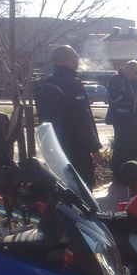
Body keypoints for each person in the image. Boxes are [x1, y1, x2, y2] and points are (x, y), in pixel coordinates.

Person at [34, 45, 102, 188]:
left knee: (62, 185)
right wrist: (94, 148)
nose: (77, 61)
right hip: (76, 145)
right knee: (83, 185)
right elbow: (82, 118)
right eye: (76, 57)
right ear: (68, 61)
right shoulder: (72, 83)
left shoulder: (45, 83)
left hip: (53, 143)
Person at [106, 60, 137, 178]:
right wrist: (132, 97)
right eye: (135, 72)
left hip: (136, 119)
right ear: (127, 70)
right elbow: (114, 98)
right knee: (121, 145)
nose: (136, 75)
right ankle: (118, 172)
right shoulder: (116, 80)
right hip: (121, 119)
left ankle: (134, 171)